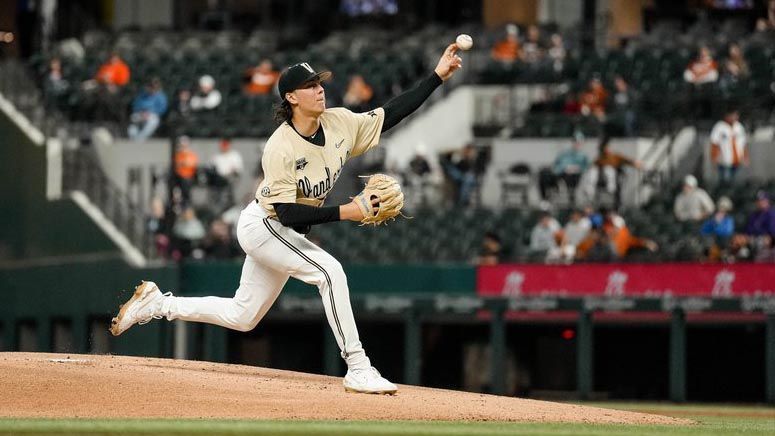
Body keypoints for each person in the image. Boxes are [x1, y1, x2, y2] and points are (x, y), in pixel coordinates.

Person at [109, 43, 464, 395]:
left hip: (282, 230)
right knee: (330, 273)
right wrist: (348, 211)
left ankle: (157, 304)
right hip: (264, 226)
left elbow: (391, 113)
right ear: (292, 97)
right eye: (310, 86)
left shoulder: (339, 122)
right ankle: (358, 367)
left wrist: (436, 76)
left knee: (242, 315)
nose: (320, 89)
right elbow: (287, 213)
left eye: (320, 83)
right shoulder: (281, 146)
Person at [539, 132, 589, 204]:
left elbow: (586, 168)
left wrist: (576, 169)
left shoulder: (584, 156)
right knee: (544, 174)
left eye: (579, 142)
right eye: (575, 141)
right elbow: (557, 167)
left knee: (570, 178)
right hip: (561, 175)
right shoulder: (565, 153)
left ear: (582, 143)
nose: (577, 144)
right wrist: (565, 168)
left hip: (574, 177)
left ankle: (568, 197)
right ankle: (545, 200)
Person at [710, 108, 748, 185]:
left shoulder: (739, 127)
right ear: (727, 116)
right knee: (725, 182)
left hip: (737, 161)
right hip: (724, 161)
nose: (735, 117)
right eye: (733, 115)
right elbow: (714, 143)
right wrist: (714, 158)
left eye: (736, 115)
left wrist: (746, 157)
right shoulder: (719, 126)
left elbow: (743, 144)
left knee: (735, 183)